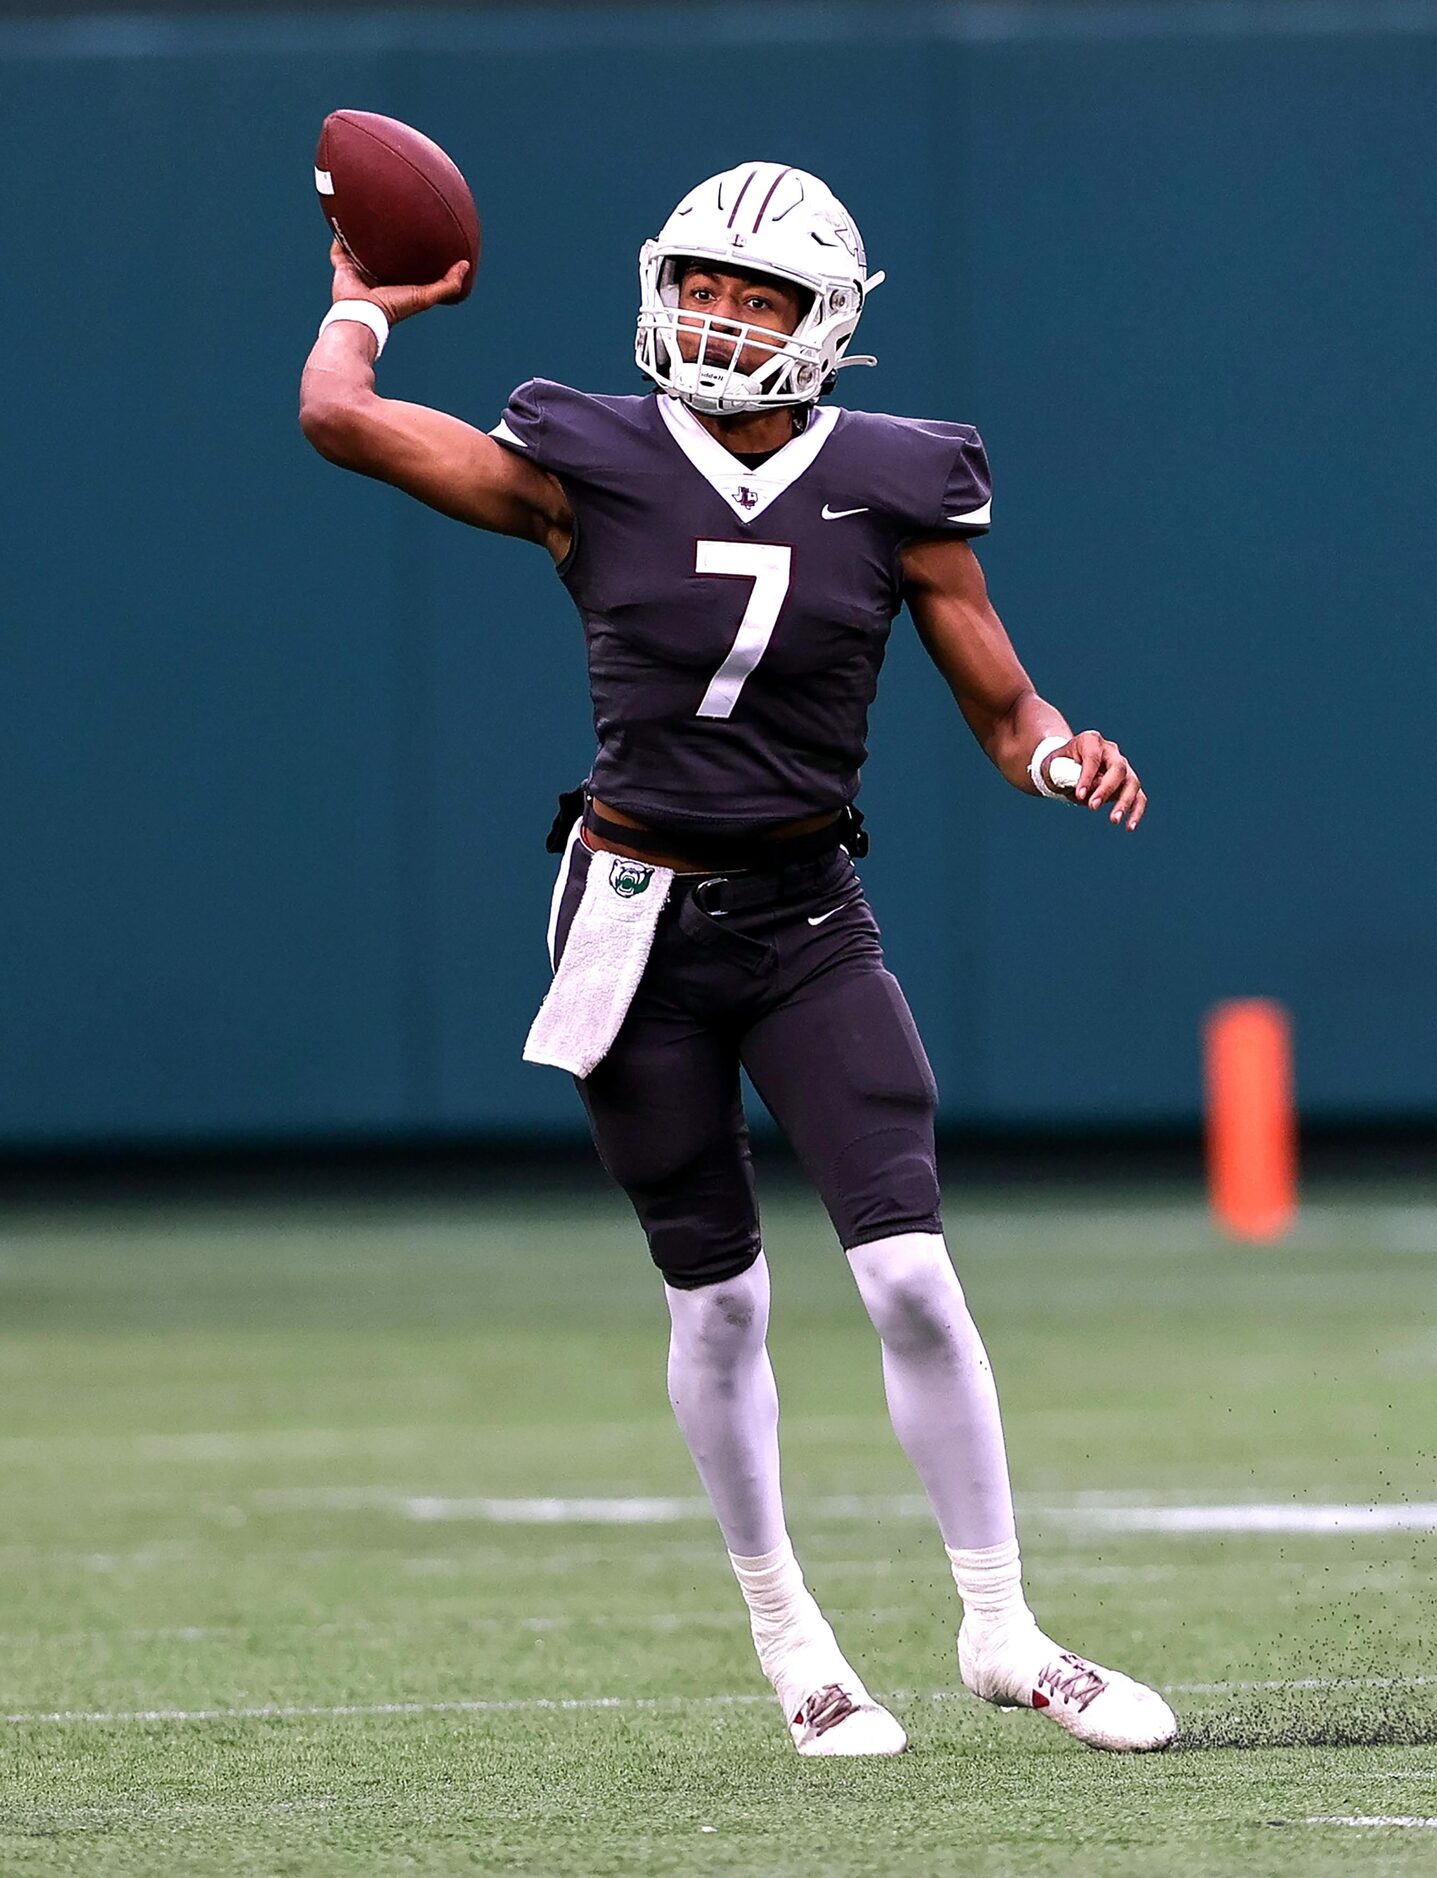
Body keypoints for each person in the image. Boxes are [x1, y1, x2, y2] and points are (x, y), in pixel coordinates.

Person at [300, 160, 1174, 1758]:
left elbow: (1001, 704)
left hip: (804, 917)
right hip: (631, 920)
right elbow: (341, 421)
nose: (714, 314)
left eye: (753, 295)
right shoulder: (588, 456)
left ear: (824, 323)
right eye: (699, 282)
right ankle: (793, 1642)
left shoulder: (899, 481)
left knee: (909, 1266)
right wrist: (365, 299)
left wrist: (1054, 758)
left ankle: (1000, 1625)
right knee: (718, 1305)